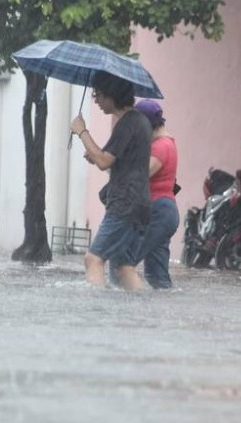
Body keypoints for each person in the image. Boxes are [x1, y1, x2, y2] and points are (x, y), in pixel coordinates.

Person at [70, 71, 152, 291]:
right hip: (139, 203)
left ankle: (98, 311)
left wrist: (82, 131)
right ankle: (142, 308)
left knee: (93, 259)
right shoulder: (140, 121)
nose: (95, 100)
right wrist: (96, 155)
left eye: (98, 95)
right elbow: (120, 161)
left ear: (112, 95)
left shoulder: (126, 124)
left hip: (124, 204)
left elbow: (104, 160)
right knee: (123, 267)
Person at [132, 100, 180, 289]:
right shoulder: (167, 144)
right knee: (156, 275)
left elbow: (140, 175)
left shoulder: (161, 146)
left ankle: (118, 310)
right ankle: (162, 315)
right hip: (164, 211)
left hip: (158, 211)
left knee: (123, 263)